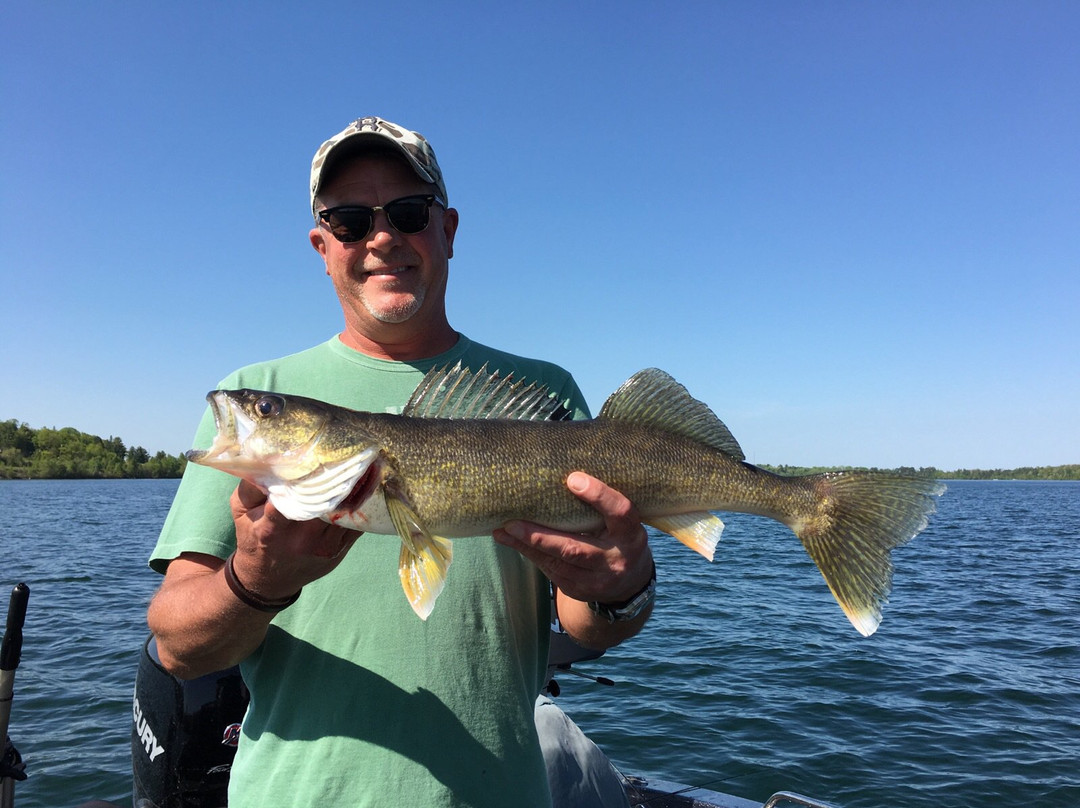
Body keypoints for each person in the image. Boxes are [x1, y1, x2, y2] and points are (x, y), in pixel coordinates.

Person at [147, 116, 655, 808]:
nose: (383, 238)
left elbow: (590, 623)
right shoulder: (250, 393)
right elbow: (178, 647)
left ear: (447, 230)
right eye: (351, 221)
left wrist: (621, 590)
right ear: (322, 247)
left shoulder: (543, 395)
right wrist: (254, 583)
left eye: (409, 213)